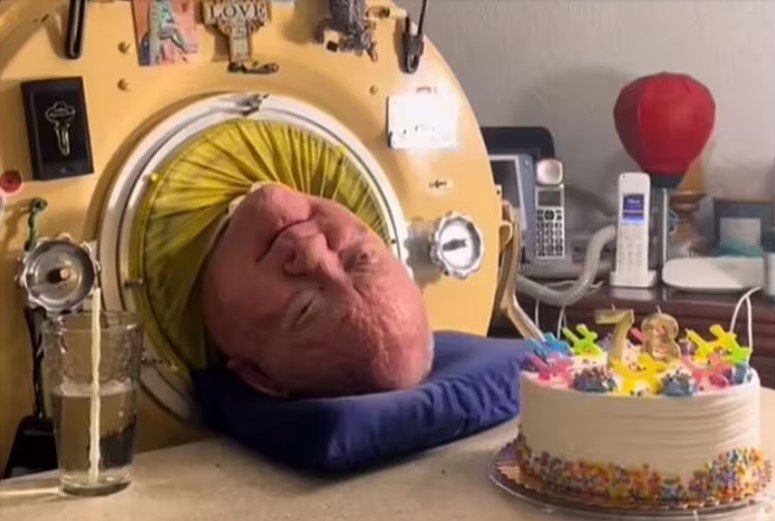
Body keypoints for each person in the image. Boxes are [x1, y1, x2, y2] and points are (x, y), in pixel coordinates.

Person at [201, 184, 433, 399]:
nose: (311, 247)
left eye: (304, 307)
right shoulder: (333, 177)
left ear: (257, 375)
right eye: (360, 258)